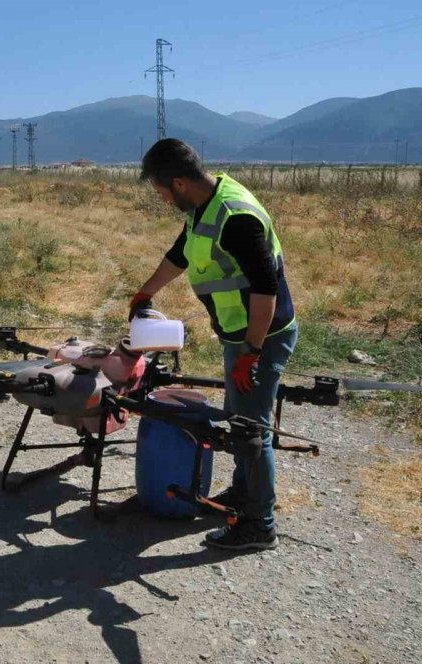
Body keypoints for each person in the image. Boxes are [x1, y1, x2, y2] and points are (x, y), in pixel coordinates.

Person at [131, 138, 297, 551]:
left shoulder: (236, 216)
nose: (163, 198)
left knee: (250, 430)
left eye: (161, 191)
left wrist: (252, 353)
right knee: (240, 420)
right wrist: (145, 292)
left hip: (263, 335)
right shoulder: (203, 206)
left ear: (179, 183)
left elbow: (265, 288)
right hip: (239, 333)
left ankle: (260, 525)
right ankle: (243, 495)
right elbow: (181, 253)